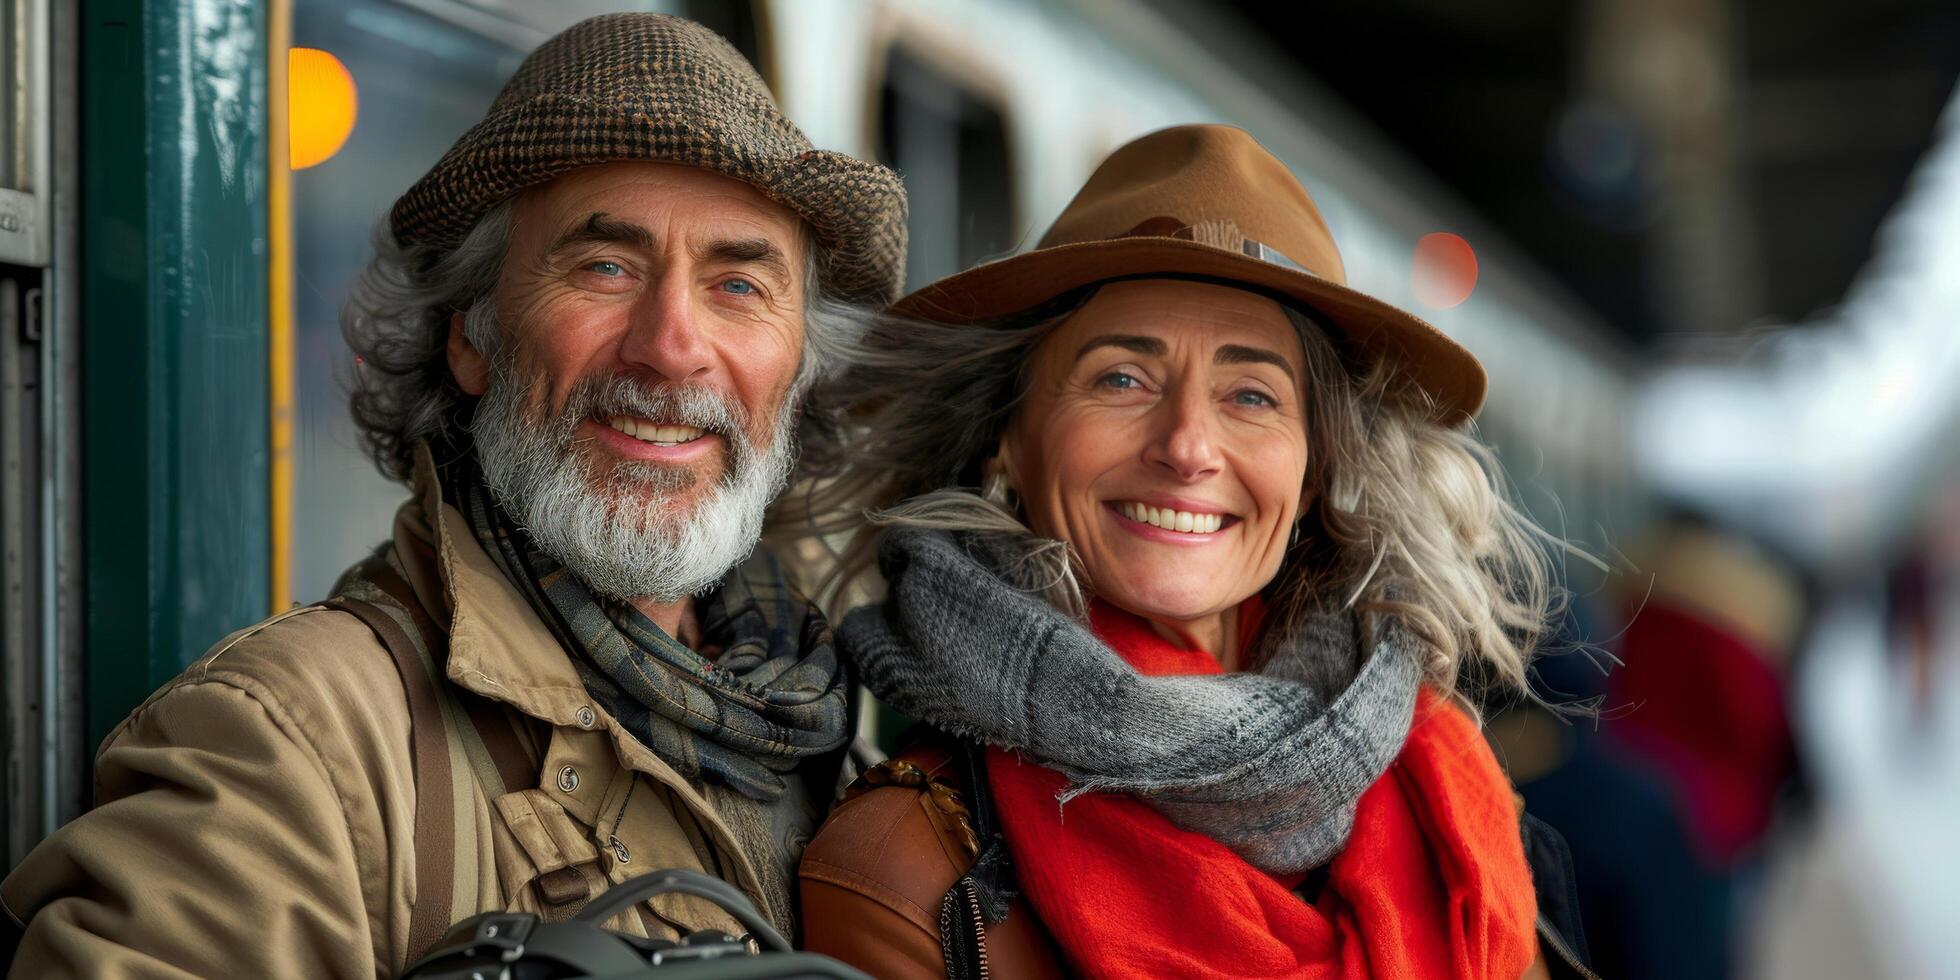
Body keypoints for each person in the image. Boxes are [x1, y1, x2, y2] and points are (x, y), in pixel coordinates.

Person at [1, 14, 904, 977]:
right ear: (471, 335)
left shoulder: (817, 718)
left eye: (738, 284)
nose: (671, 345)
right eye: (606, 267)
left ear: (798, 373)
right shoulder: (295, 748)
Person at [796, 125, 1594, 978]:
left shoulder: (1453, 803)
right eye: (1121, 378)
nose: (1187, 446)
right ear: (1008, 439)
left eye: (1251, 395)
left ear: (1318, 469)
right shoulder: (906, 873)